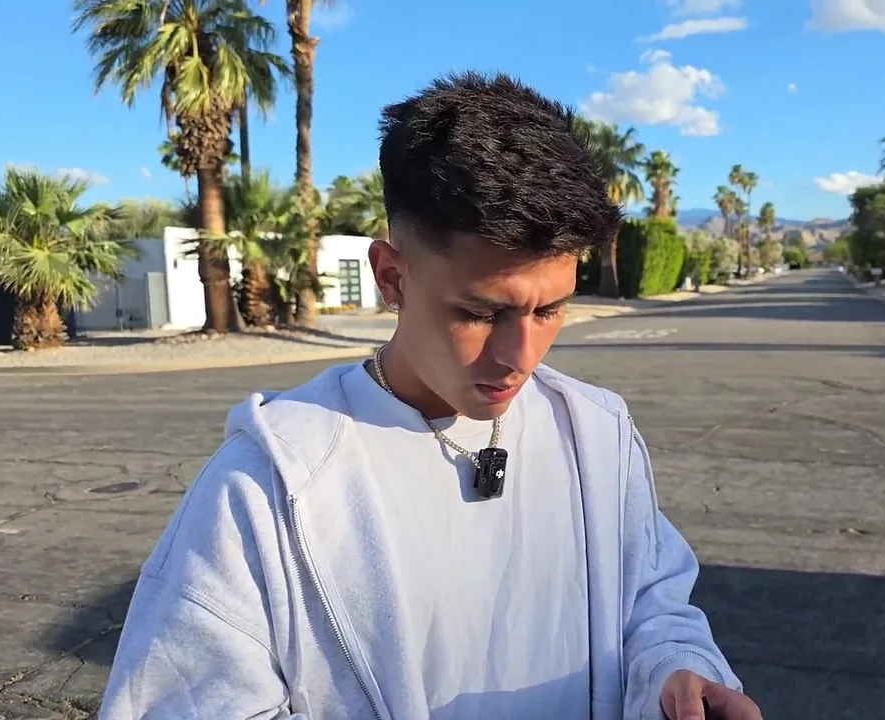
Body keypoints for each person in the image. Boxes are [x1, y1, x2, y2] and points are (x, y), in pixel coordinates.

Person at [100, 71, 762, 720]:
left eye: (550, 310)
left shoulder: (598, 435)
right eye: (480, 313)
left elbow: (652, 603)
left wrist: (677, 672)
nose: (521, 357)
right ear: (391, 277)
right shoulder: (267, 485)